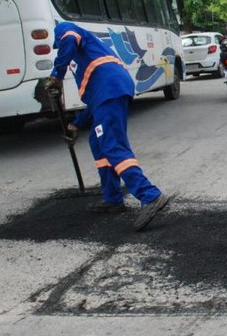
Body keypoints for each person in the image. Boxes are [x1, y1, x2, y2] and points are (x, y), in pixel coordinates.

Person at [44, 21, 170, 231]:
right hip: (108, 92)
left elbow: (69, 38)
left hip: (111, 89)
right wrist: (75, 124)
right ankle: (112, 198)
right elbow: (95, 103)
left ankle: (150, 196)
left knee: (112, 145)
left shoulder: (65, 29)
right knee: (98, 142)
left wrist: (56, 76)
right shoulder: (88, 59)